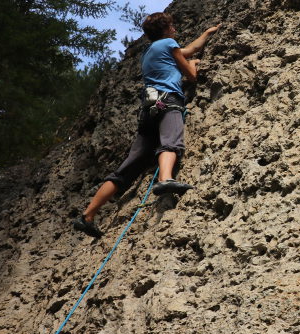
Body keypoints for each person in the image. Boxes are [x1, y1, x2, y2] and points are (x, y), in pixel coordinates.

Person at [73, 12, 221, 238]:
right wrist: (193, 64)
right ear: (165, 29)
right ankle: (165, 180)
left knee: (130, 165)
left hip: (148, 109)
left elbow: (188, 50)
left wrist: (207, 34)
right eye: (171, 25)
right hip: (168, 100)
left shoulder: (150, 52)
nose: (174, 28)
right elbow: (191, 74)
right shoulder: (169, 43)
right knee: (170, 142)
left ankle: (88, 215)